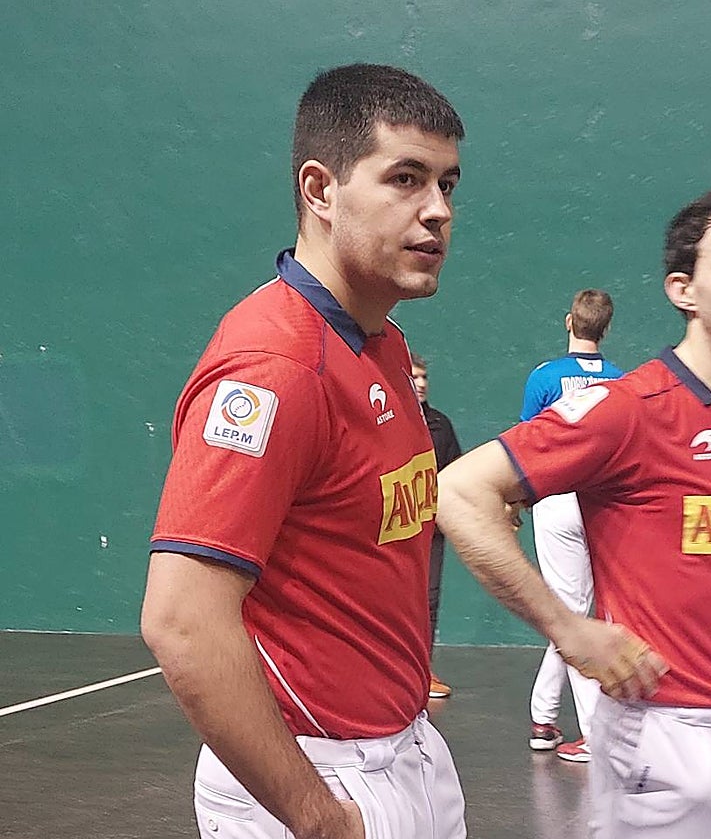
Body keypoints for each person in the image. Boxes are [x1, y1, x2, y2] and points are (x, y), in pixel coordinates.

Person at [141, 64, 468, 839]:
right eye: (406, 179)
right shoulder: (274, 369)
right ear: (320, 190)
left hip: (406, 752)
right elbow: (182, 621)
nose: (438, 210)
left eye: (448, 184)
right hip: (320, 778)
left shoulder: (383, 344)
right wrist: (318, 818)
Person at [437, 189, 711, 839]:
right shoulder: (629, 408)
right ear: (683, 290)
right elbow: (459, 492)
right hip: (664, 744)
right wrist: (568, 630)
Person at [521, 289, 624, 763]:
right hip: (600, 506)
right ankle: (546, 718)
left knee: (571, 617)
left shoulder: (544, 377)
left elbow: (526, 443)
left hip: (555, 501)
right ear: (606, 329)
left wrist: (516, 499)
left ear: (570, 322)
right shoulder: (620, 380)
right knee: (577, 612)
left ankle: (579, 729)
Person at [411, 352, 463, 700]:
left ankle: (422, 672)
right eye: (414, 377)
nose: (421, 384)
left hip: (431, 529)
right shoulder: (386, 419)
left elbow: (455, 472)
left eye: (424, 377)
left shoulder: (440, 425)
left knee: (427, 600)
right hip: (391, 527)